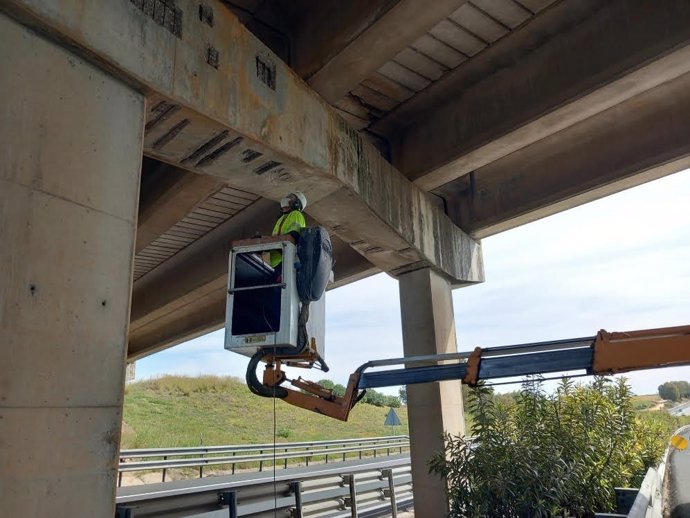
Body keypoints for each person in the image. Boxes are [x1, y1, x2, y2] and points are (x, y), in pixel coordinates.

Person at [270, 191, 307, 272]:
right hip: (277, 263)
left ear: (297, 203)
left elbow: (294, 235)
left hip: (286, 260)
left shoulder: (296, 214)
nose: (287, 199)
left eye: (291, 198)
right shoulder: (281, 219)